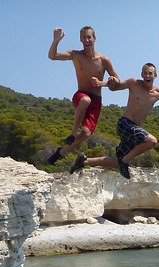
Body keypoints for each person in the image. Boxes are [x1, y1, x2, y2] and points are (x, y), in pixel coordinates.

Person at [70, 63, 159, 178]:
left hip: (133, 129)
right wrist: (101, 83)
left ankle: (84, 161)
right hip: (125, 124)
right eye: (145, 73)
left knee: (117, 162)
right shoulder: (134, 83)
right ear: (141, 75)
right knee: (152, 141)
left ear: (155, 76)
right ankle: (124, 162)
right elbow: (115, 87)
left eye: (150, 73)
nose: (147, 76)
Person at [46, 26, 118, 165]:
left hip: (96, 100)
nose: (86, 39)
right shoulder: (76, 55)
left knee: (86, 133)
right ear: (80, 39)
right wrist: (56, 41)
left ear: (94, 39)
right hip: (81, 95)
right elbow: (52, 56)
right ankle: (72, 133)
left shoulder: (104, 60)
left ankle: (60, 152)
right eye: (83, 37)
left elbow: (116, 80)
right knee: (85, 100)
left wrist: (102, 83)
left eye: (89, 37)